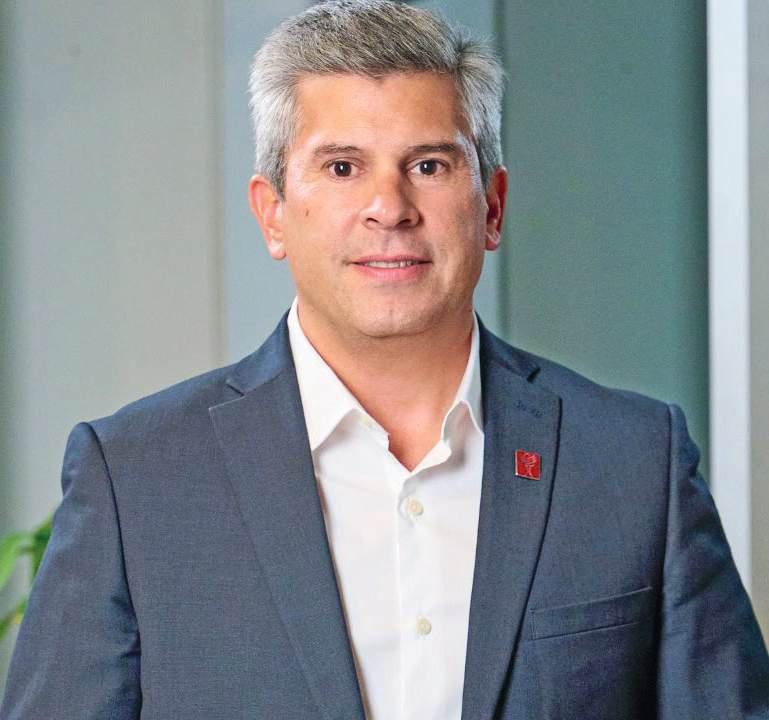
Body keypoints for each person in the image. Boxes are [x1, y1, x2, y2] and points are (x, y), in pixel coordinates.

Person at [2, 1, 768, 718]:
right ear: (272, 214)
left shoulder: (632, 461)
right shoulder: (137, 476)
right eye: (342, 167)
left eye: (428, 165)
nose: (389, 208)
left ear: (492, 206)